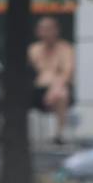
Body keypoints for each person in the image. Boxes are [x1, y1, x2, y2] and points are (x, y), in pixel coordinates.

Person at [27, 16, 75, 145]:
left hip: (58, 89)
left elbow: (67, 73)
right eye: (42, 29)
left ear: (56, 30)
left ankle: (59, 134)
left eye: (48, 29)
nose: (45, 32)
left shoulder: (66, 49)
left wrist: (54, 90)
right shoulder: (33, 50)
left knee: (62, 94)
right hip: (36, 90)